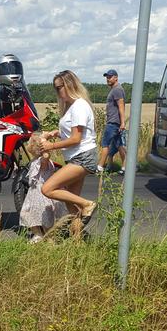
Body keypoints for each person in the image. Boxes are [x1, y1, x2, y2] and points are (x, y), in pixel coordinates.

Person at [40, 70, 98, 233]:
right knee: (72, 207)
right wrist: (55, 132)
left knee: (48, 188)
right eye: (56, 88)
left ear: (70, 85)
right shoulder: (73, 106)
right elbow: (72, 132)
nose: (58, 92)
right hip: (76, 157)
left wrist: (51, 146)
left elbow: (76, 139)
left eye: (60, 87)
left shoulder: (79, 106)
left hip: (82, 157)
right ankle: (77, 242)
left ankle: (87, 204)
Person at [19, 133, 70, 243]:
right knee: (27, 214)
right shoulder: (35, 160)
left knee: (45, 217)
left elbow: (46, 156)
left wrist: (44, 140)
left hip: (42, 193)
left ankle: (48, 237)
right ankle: (39, 234)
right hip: (34, 193)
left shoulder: (42, 161)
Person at [97, 69, 128, 175]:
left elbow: (121, 106)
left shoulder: (117, 90)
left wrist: (122, 122)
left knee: (105, 143)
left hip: (113, 122)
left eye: (110, 77)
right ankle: (125, 167)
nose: (108, 79)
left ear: (116, 77)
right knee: (119, 144)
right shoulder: (115, 89)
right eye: (107, 77)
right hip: (115, 122)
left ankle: (100, 166)